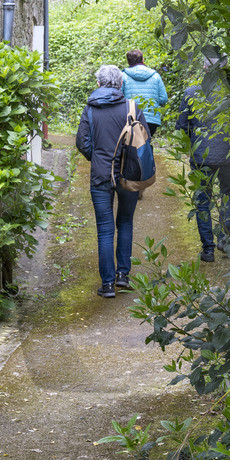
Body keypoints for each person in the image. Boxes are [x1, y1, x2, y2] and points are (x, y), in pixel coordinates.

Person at [75, 64, 141, 298]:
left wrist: (99, 158)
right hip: (128, 175)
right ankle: (123, 275)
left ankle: (108, 285)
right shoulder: (131, 107)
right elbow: (144, 142)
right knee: (125, 222)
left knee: (105, 231)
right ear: (121, 84)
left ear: (99, 84)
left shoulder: (90, 109)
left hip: (101, 176)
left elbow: (82, 142)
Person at [175, 54, 230, 263]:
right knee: (228, 195)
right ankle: (223, 239)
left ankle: (208, 249)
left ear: (204, 68)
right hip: (229, 154)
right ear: (225, 67)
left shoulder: (192, 93)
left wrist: (192, 145)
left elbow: (181, 127)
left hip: (201, 155)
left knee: (203, 200)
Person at [120, 49, 169, 137]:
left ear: (128, 62)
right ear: (143, 60)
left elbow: (119, 97)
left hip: (131, 119)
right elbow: (163, 98)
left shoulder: (123, 76)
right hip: (151, 119)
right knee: (146, 144)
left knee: (132, 146)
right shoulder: (155, 75)